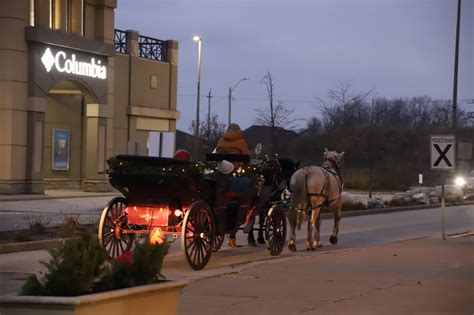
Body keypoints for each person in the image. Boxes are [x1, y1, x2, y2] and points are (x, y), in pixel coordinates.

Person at [215, 123, 250, 248]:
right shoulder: (241, 141)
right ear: (238, 131)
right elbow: (246, 158)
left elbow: (215, 156)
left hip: (220, 173)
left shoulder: (220, 140)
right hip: (235, 173)